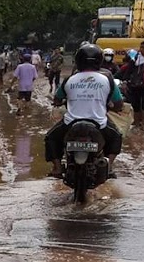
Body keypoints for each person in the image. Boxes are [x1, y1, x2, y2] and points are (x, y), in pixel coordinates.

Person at [46, 43, 123, 176]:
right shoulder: (107, 79)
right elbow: (119, 104)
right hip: (99, 124)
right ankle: (109, 166)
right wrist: (112, 107)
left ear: (78, 61)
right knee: (117, 137)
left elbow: (57, 99)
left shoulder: (69, 80)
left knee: (50, 138)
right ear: (100, 60)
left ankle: (58, 168)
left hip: (70, 123)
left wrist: (61, 102)